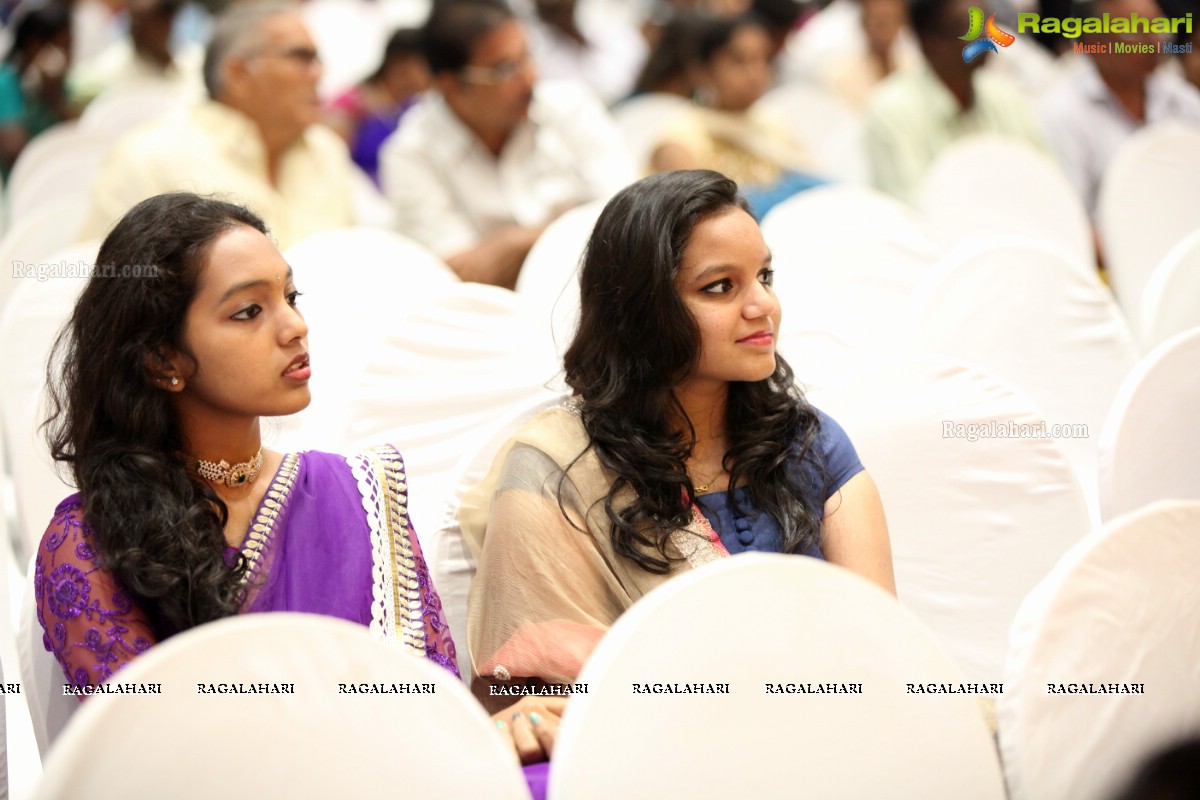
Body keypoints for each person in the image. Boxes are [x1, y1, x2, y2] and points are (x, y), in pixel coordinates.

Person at [38, 192, 561, 773]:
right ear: (164, 360)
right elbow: (159, 764)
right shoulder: (89, 542)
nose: (295, 327)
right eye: (248, 312)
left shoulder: (359, 493)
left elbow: (426, 705)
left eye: (289, 297)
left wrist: (498, 726)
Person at [461, 170, 895, 705]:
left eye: (765, 276)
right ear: (644, 313)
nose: (763, 306)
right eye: (720, 287)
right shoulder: (559, 470)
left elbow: (884, 653)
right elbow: (526, 687)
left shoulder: (811, 444)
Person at [379, 0, 633, 288]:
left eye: (527, 57)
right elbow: (457, 277)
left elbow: (630, 217)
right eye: (505, 69)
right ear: (450, 85)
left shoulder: (571, 108)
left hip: (600, 291)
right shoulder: (411, 153)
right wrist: (579, 232)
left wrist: (517, 244)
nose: (529, 78)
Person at [78, 1, 355, 249]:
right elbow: (108, 290)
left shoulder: (326, 150)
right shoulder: (150, 157)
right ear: (238, 74)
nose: (319, 74)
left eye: (317, 60)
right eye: (300, 57)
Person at [864, 0, 1044, 205]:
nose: (983, 38)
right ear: (928, 43)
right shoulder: (892, 112)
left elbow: (1046, 182)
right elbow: (911, 209)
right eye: (968, 29)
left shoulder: (1006, 98)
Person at [1038, 0, 1200, 219]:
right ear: (1094, 42)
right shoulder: (1062, 113)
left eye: (1158, 27)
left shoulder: (1181, 99)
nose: (1154, 42)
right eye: (1136, 31)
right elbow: (1069, 217)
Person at [651, 14, 823, 217]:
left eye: (763, 60)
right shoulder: (682, 142)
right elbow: (692, 223)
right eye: (739, 61)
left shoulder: (771, 124)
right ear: (702, 71)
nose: (756, 73)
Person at [324, 27, 430, 185]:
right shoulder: (352, 103)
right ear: (401, 61)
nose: (432, 73)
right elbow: (330, 160)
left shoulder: (418, 107)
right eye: (427, 65)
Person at [0, 0, 76, 173]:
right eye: (61, 47)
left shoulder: (58, 85)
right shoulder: (5, 83)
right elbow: (14, 152)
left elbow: (77, 138)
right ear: (34, 44)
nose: (66, 58)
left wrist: (53, 96)